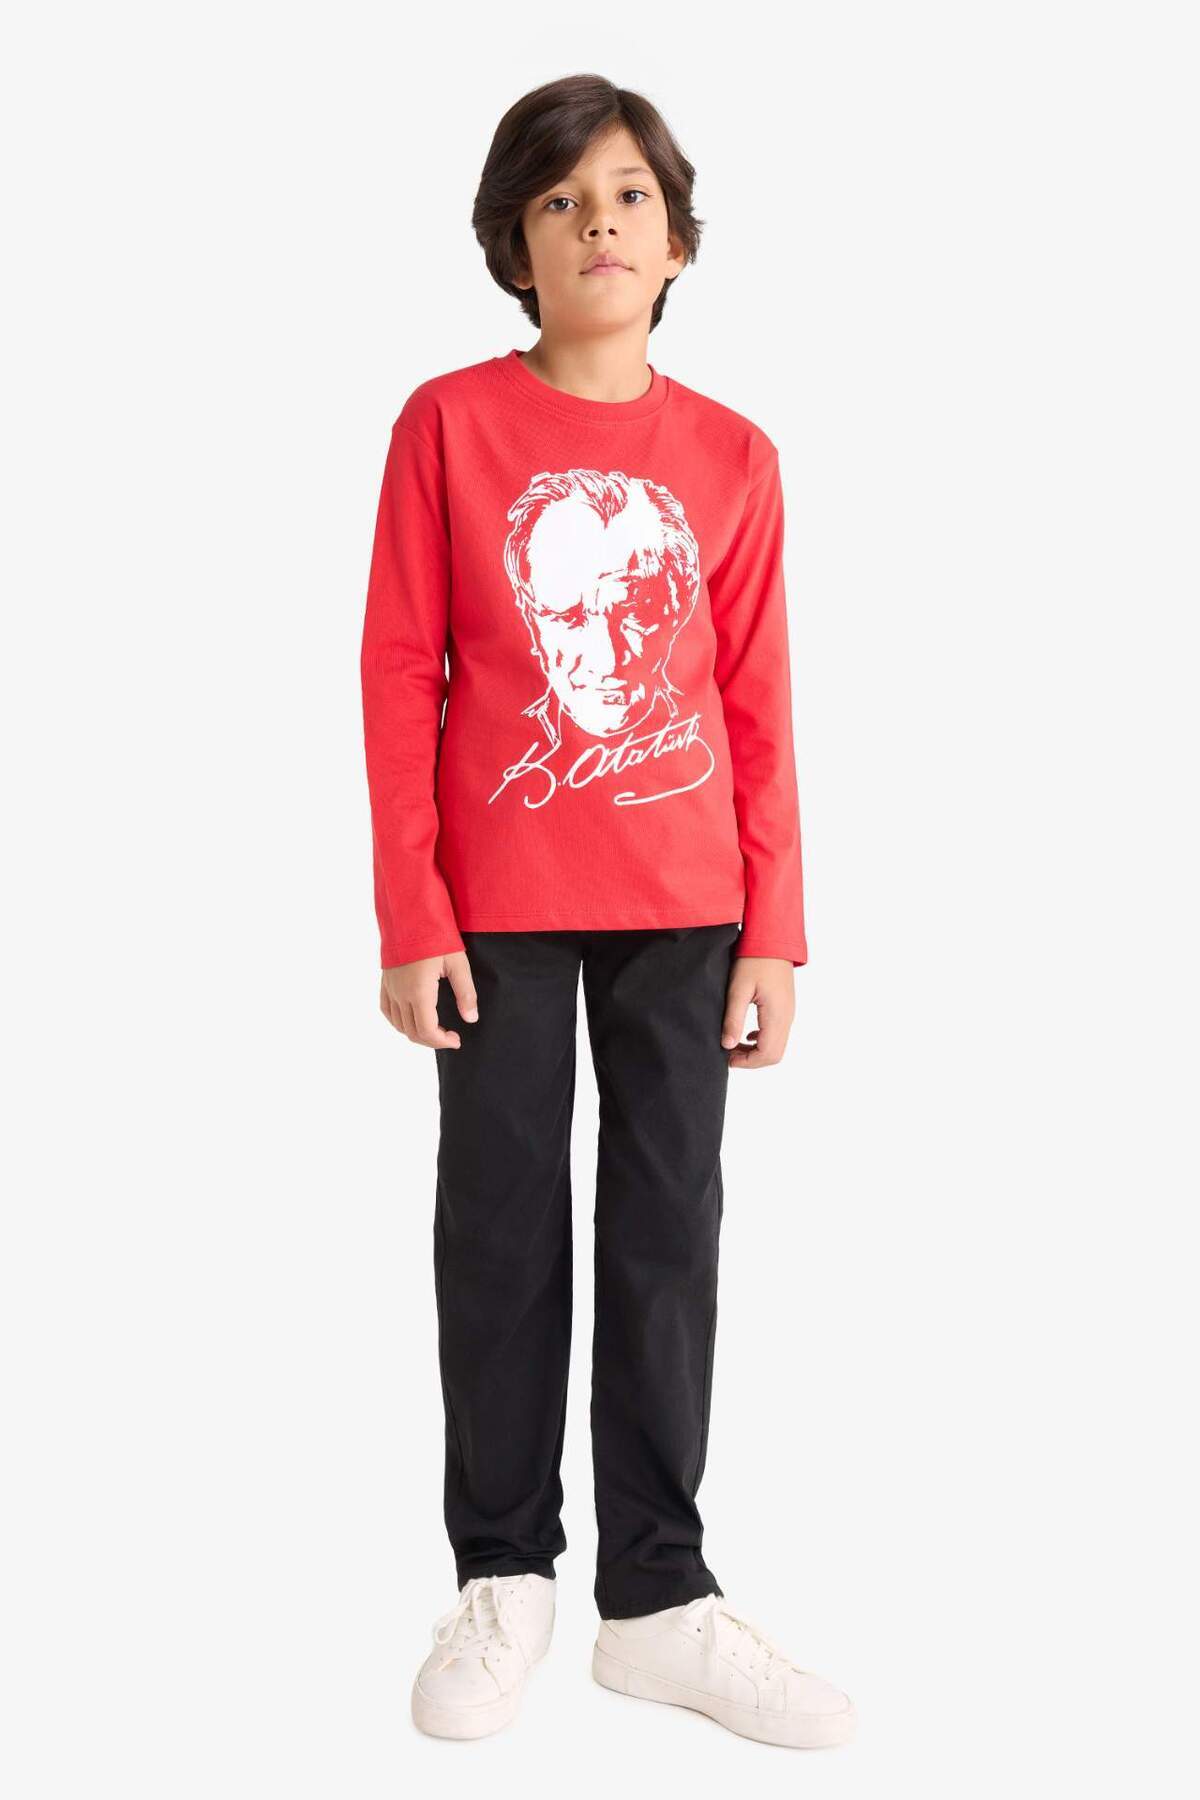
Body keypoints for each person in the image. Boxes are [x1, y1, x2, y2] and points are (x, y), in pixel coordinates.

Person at [360, 72, 855, 1751]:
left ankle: (657, 1599)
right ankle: (504, 1575)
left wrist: (775, 928)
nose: (599, 224)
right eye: (562, 200)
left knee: (665, 1236)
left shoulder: (733, 457)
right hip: (493, 910)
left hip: (687, 905)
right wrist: (411, 909)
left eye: (630, 195)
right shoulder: (446, 427)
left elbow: (759, 698)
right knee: (498, 1233)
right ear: (515, 243)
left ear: (679, 241)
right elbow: (401, 671)